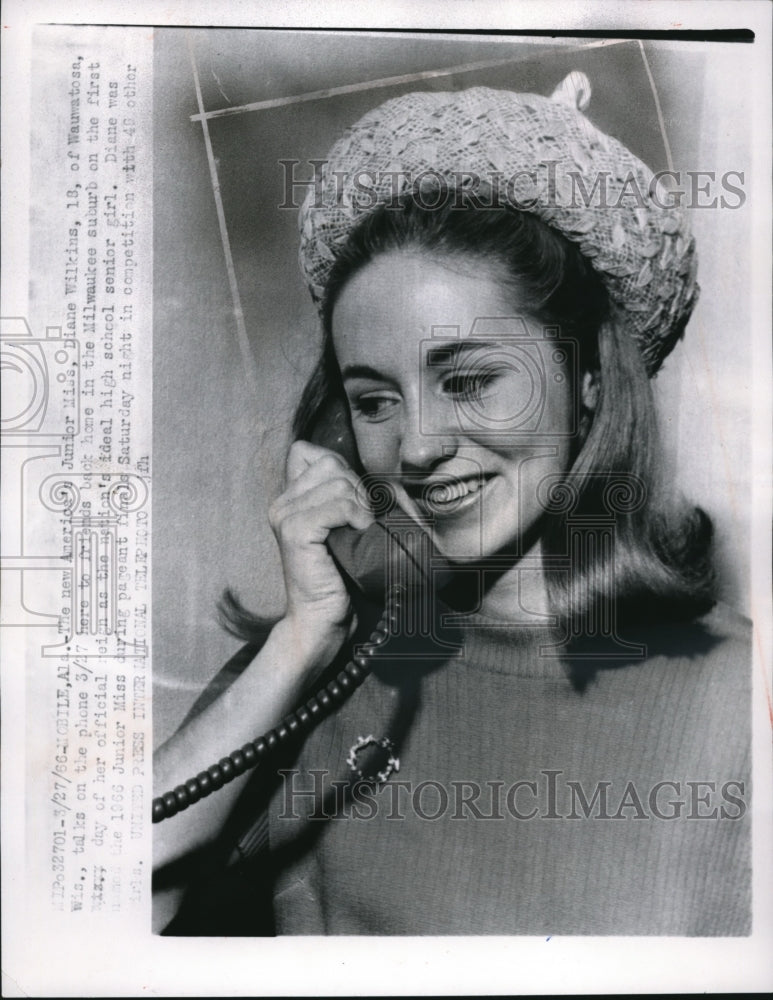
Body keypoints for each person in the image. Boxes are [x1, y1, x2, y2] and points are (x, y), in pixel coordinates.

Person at [153, 75, 751, 936]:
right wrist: (297, 647)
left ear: (586, 382)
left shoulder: (739, 699)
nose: (418, 446)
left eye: (468, 381)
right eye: (373, 400)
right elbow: (82, 923)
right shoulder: (317, 670)